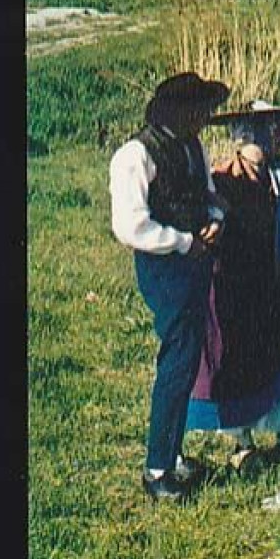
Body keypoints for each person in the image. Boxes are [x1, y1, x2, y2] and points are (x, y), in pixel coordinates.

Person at [187, 101, 280, 471]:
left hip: (278, 289)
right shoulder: (222, 181)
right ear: (240, 138)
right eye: (263, 129)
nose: (275, 136)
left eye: (276, 128)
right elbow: (204, 234)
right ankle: (242, 444)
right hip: (234, 292)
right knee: (236, 366)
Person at [109, 71, 231, 503]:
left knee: (188, 357)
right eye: (197, 110)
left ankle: (173, 455)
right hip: (164, 269)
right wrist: (184, 242)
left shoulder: (192, 145)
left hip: (196, 262)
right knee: (177, 363)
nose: (204, 118)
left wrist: (215, 223)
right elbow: (130, 226)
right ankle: (157, 469)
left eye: (205, 110)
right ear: (175, 110)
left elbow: (211, 195)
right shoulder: (135, 155)